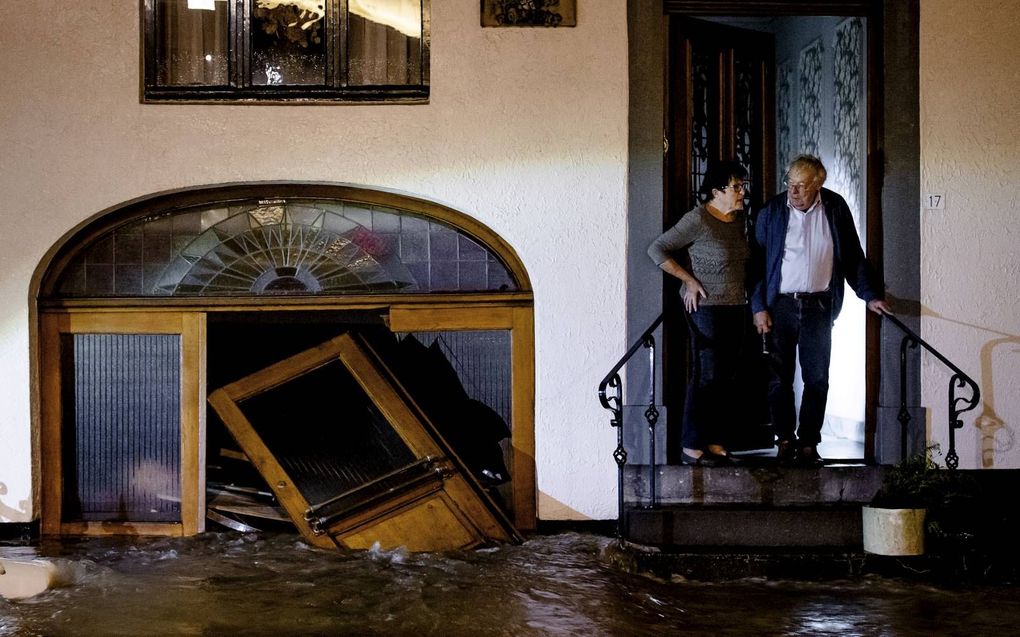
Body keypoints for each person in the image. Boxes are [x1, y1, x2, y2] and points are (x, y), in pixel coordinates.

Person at [749, 154, 890, 466]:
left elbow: (853, 257)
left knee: (817, 378)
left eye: (801, 186)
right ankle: (785, 440)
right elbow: (756, 266)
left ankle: (809, 442)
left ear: (818, 186)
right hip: (781, 305)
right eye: (790, 184)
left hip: (819, 305)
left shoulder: (835, 208)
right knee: (778, 378)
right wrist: (759, 307)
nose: (793, 192)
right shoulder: (771, 212)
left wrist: (869, 296)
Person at [648, 160, 751, 466]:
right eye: (736, 186)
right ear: (717, 190)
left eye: (743, 185)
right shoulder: (699, 219)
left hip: (736, 306)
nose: (742, 192)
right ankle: (692, 444)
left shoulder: (739, 220)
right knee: (705, 375)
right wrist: (689, 280)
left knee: (726, 377)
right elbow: (657, 249)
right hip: (705, 308)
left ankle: (716, 439)